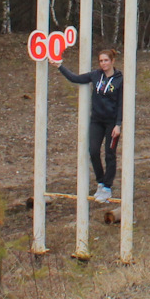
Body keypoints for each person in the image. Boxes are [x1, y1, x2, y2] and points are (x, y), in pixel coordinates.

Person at [57, 46, 123, 203]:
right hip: (97, 120)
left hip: (112, 123)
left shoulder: (120, 79)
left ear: (112, 61)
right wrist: (59, 66)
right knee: (93, 151)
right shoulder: (96, 75)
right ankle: (101, 182)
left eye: (106, 60)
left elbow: (121, 103)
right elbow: (75, 78)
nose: (103, 64)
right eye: (101, 61)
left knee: (109, 154)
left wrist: (118, 124)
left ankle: (107, 187)